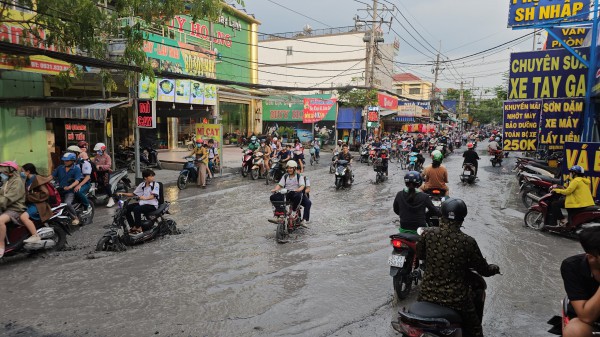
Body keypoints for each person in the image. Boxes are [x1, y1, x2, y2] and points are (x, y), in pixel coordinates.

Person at [416, 198, 500, 337]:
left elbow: (420, 255)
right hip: (456, 299)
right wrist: (494, 268)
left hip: (426, 293)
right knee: (475, 329)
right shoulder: (468, 242)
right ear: (462, 219)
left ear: (441, 215)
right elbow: (483, 269)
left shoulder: (427, 234)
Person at [560, 226, 600, 337]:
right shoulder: (572, 266)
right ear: (592, 257)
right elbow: (586, 317)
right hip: (590, 324)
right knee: (574, 331)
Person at [117, 169, 160, 234]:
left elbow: (153, 196)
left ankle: (139, 227)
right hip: (143, 204)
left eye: (153, 176)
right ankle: (133, 226)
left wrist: (145, 198)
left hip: (152, 205)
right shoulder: (142, 185)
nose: (152, 178)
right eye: (151, 176)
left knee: (137, 209)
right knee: (127, 208)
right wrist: (122, 193)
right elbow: (133, 194)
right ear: (145, 177)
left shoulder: (156, 185)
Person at [19, 163, 54, 244]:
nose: (21, 173)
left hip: (38, 205)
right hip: (30, 203)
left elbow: (45, 194)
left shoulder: (37, 179)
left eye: (22, 171)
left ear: (28, 171)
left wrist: (28, 197)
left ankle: (35, 236)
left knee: (23, 217)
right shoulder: (27, 180)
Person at [269, 160, 311, 226]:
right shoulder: (285, 176)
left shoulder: (300, 177)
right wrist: (275, 189)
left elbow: (303, 186)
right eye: (288, 168)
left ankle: (300, 216)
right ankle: (279, 213)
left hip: (296, 193)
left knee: (306, 201)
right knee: (273, 197)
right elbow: (280, 185)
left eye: (291, 168)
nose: (289, 169)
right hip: (287, 193)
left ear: (295, 169)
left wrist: (299, 189)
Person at [0, 161, 28, 257]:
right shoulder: (7, 181)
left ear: (10, 172)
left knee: (0, 221)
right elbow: (1, 193)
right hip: (6, 207)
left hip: (15, 208)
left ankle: (1, 245)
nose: (1, 173)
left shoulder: (17, 182)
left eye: (3, 172)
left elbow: (8, 198)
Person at [53, 153, 84, 225]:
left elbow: (77, 181)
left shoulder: (76, 169)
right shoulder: (60, 168)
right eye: (64, 160)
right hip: (60, 190)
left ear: (72, 161)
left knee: (67, 203)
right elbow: (51, 177)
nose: (65, 162)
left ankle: (75, 217)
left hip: (69, 191)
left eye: (67, 161)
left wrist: (70, 187)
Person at [67, 145, 92, 214]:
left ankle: (87, 206)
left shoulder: (84, 163)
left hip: (84, 183)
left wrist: (79, 185)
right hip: (73, 182)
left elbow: (87, 177)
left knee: (78, 191)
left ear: (77, 154)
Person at [93, 142, 115, 207]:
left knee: (106, 184)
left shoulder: (107, 157)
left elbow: (108, 165)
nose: (97, 152)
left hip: (105, 172)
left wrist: (100, 166)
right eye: (97, 151)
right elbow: (94, 163)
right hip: (97, 173)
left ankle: (111, 199)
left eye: (98, 150)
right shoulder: (96, 157)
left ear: (103, 150)